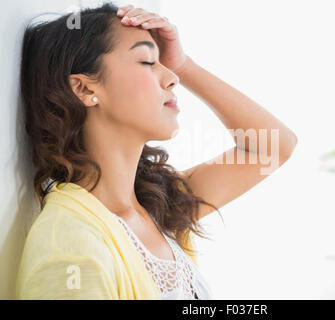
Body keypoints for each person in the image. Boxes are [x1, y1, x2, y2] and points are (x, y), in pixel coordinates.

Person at [16, 2, 298, 299]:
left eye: (167, 65)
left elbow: (273, 147)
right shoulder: (69, 246)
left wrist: (186, 65)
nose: (172, 78)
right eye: (148, 61)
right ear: (85, 90)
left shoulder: (160, 206)